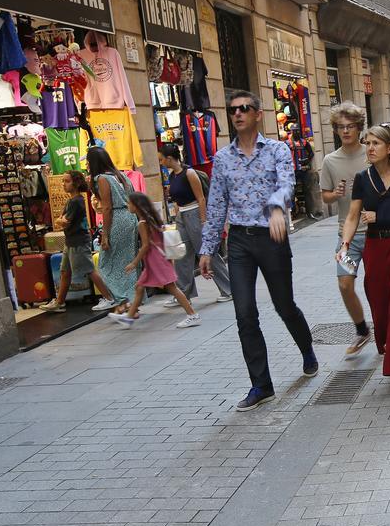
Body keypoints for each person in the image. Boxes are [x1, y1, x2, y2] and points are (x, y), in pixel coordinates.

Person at [200, 90, 319, 412]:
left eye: (244, 108)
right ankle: (261, 385)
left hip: (272, 237)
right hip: (239, 240)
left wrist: (277, 208)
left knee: (284, 305)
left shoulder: (278, 150)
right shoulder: (223, 159)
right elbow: (216, 206)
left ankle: (306, 348)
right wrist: (207, 248)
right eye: (233, 109)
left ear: (257, 114)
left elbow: (286, 183)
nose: (237, 113)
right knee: (244, 314)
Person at [338, 124, 390, 400]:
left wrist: (380, 215)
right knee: (380, 304)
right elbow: (353, 215)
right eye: (368, 143)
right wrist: (345, 244)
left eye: (376, 143)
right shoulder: (363, 178)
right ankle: (385, 342)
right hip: (374, 248)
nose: (370, 147)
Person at [319, 102, 372, 358]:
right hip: (347, 236)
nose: (346, 131)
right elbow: (325, 197)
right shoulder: (330, 160)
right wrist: (334, 194)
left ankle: (383, 330)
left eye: (350, 126)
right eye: (341, 127)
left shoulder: (372, 154)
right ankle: (362, 329)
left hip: (374, 234)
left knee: (377, 287)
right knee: (344, 284)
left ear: (359, 127)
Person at [109, 192, 202, 329]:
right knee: (139, 287)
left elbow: (146, 245)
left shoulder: (142, 223)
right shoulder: (151, 218)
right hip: (158, 259)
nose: (128, 205)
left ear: (136, 206)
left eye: (129, 203)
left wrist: (134, 262)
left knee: (172, 288)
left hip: (155, 261)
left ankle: (192, 315)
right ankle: (129, 318)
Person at [159, 143, 233, 306]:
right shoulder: (173, 176)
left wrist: (204, 221)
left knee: (207, 252)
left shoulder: (189, 173)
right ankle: (183, 293)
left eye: (162, 159)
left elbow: (201, 198)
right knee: (181, 255)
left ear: (170, 158)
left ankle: (228, 289)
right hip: (182, 216)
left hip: (195, 214)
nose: (161, 162)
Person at [38, 171, 116, 313]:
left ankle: (109, 298)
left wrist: (61, 220)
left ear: (76, 183)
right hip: (71, 241)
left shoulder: (76, 201)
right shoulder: (72, 201)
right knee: (65, 271)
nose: (63, 184)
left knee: (89, 270)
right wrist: (61, 220)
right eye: (63, 181)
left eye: (66, 181)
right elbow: (60, 219)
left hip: (78, 241)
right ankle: (60, 302)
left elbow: (64, 222)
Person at [88, 146, 138, 314]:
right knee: (126, 261)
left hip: (117, 219)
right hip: (130, 217)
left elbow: (107, 208)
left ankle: (122, 299)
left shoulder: (102, 179)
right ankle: (129, 300)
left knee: (105, 264)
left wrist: (105, 235)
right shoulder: (121, 175)